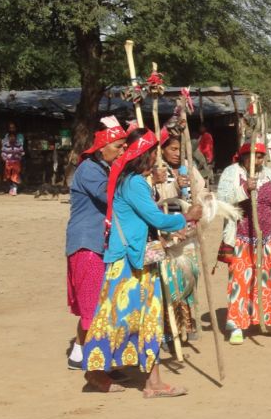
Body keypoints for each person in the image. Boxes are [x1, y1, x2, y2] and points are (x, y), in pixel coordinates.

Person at [82, 128, 202, 397]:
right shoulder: (134, 183)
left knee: (146, 320)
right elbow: (157, 219)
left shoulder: (133, 181)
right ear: (143, 156)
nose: (156, 160)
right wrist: (187, 217)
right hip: (129, 263)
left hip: (135, 260)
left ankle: (152, 382)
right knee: (120, 319)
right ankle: (96, 373)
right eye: (153, 155)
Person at [217, 141, 271, 344]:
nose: (257, 160)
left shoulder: (269, 175)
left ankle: (270, 321)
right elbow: (222, 199)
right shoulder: (231, 173)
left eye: (260, 156)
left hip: (266, 239)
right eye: (252, 156)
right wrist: (244, 189)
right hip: (242, 239)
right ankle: (237, 325)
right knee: (241, 282)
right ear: (243, 156)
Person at [65, 116, 127, 371]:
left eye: (124, 147)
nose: (122, 151)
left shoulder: (103, 169)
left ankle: (79, 355)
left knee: (97, 302)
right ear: (102, 148)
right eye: (118, 147)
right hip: (87, 244)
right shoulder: (90, 169)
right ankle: (98, 367)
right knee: (96, 307)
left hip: (97, 243)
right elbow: (109, 196)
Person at [153, 133, 208, 343]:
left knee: (189, 275)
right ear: (163, 150)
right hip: (167, 231)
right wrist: (175, 185)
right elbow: (158, 198)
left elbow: (201, 189)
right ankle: (170, 329)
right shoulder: (158, 170)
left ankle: (187, 322)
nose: (176, 154)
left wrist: (200, 199)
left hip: (189, 230)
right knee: (169, 279)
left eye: (179, 149)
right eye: (172, 149)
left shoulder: (188, 166)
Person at [0, 121, 25, 195]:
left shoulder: (19, 136)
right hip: (8, 160)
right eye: (10, 127)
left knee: (16, 174)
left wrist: (19, 155)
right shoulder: (6, 136)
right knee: (8, 175)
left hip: (16, 160)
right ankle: (11, 187)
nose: (11, 129)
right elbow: (3, 147)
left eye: (13, 127)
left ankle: (15, 188)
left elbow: (21, 148)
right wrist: (5, 157)